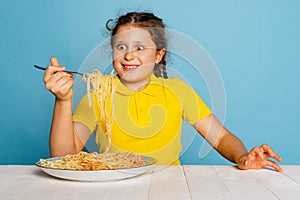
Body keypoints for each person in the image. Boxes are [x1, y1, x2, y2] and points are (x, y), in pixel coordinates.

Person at [43, 12, 282, 171]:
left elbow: (221, 138)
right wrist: (63, 100)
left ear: (159, 54)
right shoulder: (98, 94)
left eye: (140, 47)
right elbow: (63, 155)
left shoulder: (177, 91)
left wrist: (242, 158)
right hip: (115, 188)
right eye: (121, 46)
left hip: (172, 187)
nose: (129, 54)